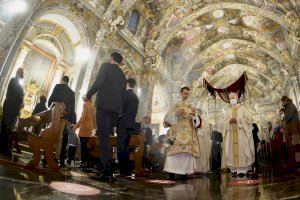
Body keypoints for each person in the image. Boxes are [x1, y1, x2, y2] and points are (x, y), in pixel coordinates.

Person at [85, 52, 127, 181]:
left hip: (104, 106)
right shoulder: (123, 76)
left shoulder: (105, 66)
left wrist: (88, 95)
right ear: (119, 62)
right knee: (107, 138)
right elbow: (123, 95)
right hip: (115, 110)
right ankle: (107, 168)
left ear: (111, 58)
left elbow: (98, 82)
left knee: (103, 139)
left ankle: (106, 171)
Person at [163, 87, 200, 180]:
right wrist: (175, 113)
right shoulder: (175, 105)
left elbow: (197, 123)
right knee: (173, 152)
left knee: (186, 153)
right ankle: (171, 172)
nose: (186, 95)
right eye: (184, 93)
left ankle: (184, 173)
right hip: (176, 132)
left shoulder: (191, 106)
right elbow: (167, 118)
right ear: (180, 93)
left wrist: (194, 115)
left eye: (188, 93)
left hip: (188, 132)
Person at [223, 92, 255, 177]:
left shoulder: (243, 108)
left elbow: (248, 120)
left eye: (233, 98)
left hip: (241, 133)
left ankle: (242, 169)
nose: (231, 100)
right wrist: (229, 121)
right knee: (231, 151)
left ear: (237, 98)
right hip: (231, 134)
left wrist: (238, 121)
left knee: (242, 150)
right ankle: (234, 169)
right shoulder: (228, 110)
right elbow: (223, 122)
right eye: (230, 99)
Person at [48, 76, 75, 167]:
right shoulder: (71, 92)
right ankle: (56, 157)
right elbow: (73, 107)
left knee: (52, 133)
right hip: (65, 115)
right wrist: (70, 119)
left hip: (56, 113)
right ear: (68, 82)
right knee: (59, 137)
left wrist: (49, 105)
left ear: (62, 80)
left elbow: (51, 97)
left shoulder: (57, 86)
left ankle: (48, 154)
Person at [117, 78, 139, 178]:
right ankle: (127, 171)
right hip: (131, 125)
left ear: (127, 84)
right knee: (126, 148)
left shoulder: (125, 94)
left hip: (123, 124)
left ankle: (122, 172)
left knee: (121, 148)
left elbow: (120, 109)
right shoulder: (135, 97)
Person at [0, 68, 24, 157]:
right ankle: (3, 148)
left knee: (7, 128)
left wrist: (21, 102)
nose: (23, 75)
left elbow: (18, 95)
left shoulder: (17, 82)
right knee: (6, 128)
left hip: (12, 109)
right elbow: (16, 95)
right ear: (18, 73)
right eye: (22, 73)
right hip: (10, 108)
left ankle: (3, 147)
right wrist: (21, 102)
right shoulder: (14, 80)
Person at [72, 98, 96, 169]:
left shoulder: (85, 105)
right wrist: (92, 126)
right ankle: (87, 163)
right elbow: (94, 118)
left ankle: (83, 163)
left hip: (85, 127)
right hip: (90, 128)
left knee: (83, 146)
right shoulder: (93, 106)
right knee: (87, 147)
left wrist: (76, 126)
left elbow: (83, 117)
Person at [281, 95, 300, 172]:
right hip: (291, 129)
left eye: (282, 102)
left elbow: (288, 117)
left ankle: (298, 162)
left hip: (294, 128)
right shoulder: (288, 106)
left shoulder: (290, 106)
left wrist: (284, 113)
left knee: (296, 145)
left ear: (285, 100)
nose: (282, 103)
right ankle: (295, 162)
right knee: (293, 146)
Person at [194, 109, 211, 173]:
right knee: (196, 153)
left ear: (201, 113)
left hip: (203, 141)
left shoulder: (205, 121)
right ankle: (195, 169)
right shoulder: (194, 121)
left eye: (198, 112)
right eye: (196, 112)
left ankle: (203, 168)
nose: (197, 113)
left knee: (203, 153)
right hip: (196, 141)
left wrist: (201, 129)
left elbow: (207, 130)